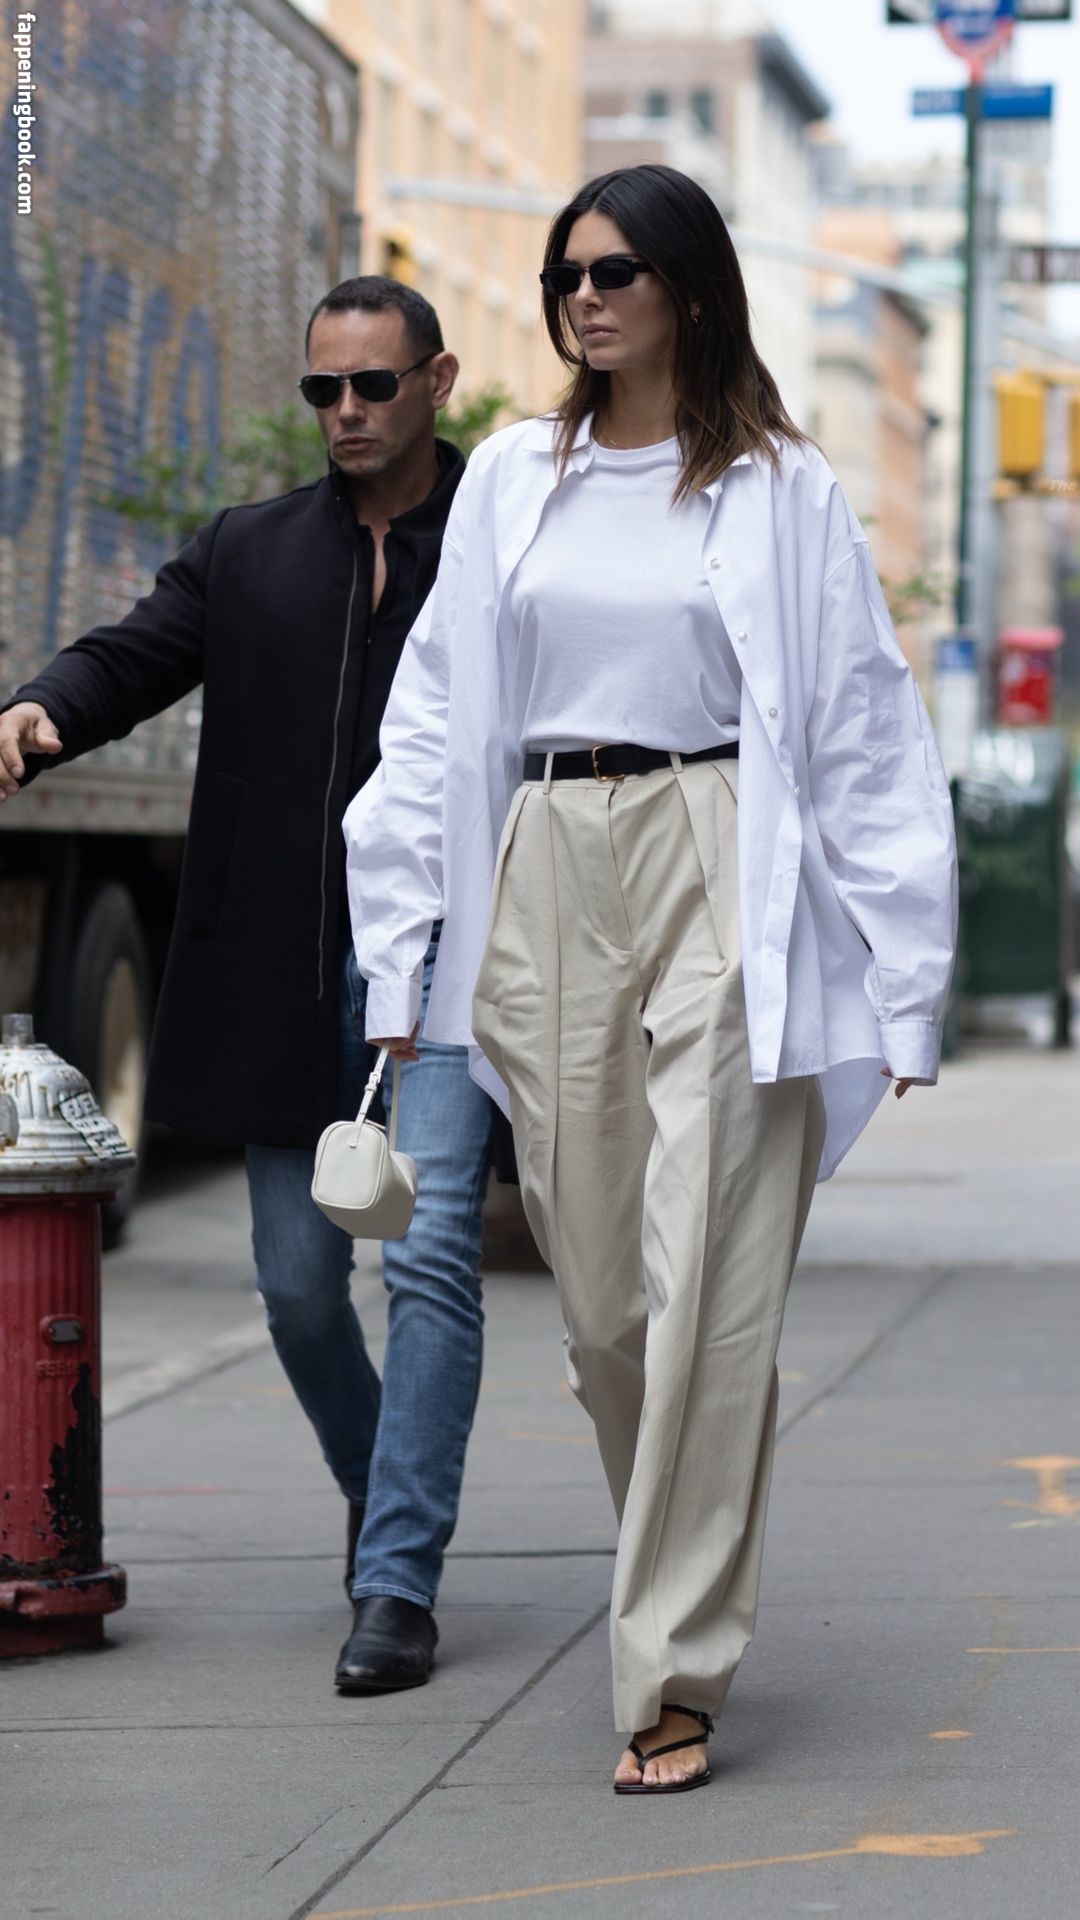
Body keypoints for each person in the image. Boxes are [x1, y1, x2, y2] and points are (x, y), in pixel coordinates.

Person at [344, 165, 958, 1791]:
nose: (585, 298)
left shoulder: (780, 486)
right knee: (609, 1300)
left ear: (687, 286)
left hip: (721, 849)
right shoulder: (515, 476)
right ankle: (674, 1550)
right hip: (548, 857)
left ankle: (672, 1667)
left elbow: (863, 725)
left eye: (614, 271)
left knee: (714, 1287)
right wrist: (398, 952)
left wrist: (906, 973)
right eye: (569, 275)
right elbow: (433, 715)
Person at [0, 277, 494, 1694]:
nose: (346, 412)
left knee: (430, 1255)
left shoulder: (506, 539)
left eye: (374, 385)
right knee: (294, 1282)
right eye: (322, 389)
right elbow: (134, 652)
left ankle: (396, 1581)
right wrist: (41, 706)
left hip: (452, 955)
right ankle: (378, 1482)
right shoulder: (251, 549)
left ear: (437, 381)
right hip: (282, 963)